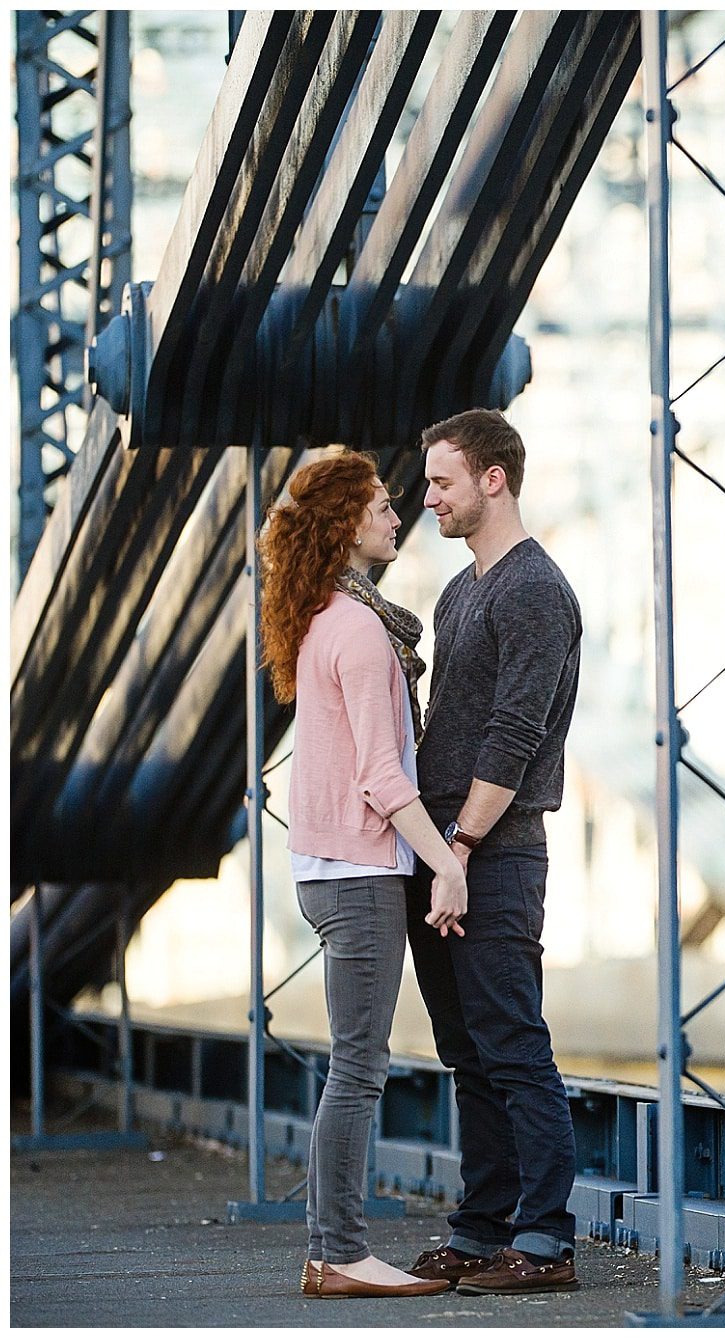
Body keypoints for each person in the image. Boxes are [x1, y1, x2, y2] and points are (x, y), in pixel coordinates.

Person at [260, 450, 466, 1300]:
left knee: (355, 1062)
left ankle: (331, 1248)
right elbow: (385, 776)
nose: (398, 513)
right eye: (383, 504)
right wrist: (445, 862)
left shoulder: (327, 620)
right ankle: (337, 1249)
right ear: (347, 523)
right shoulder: (356, 631)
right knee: (358, 1067)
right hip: (357, 870)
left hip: (330, 866)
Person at [400, 409, 585, 1296]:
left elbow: (515, 735)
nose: (427, 496)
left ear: (493, 478)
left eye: (441, 481)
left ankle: (545, 1241)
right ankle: (480, 1232)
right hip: (442, 851)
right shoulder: (458, 592)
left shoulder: (533, 589)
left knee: (514, 1045)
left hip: (492, 855)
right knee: (466, 1051)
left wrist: (460, 850)